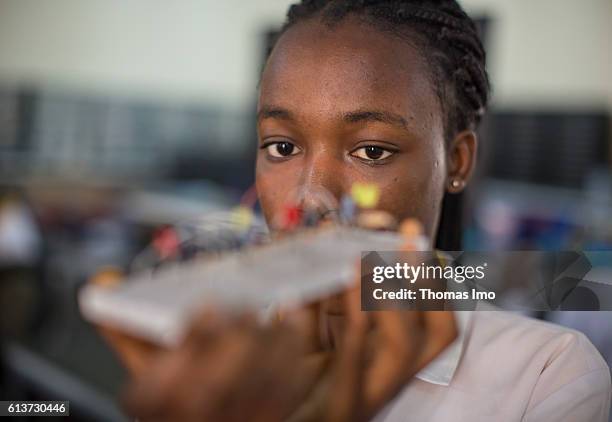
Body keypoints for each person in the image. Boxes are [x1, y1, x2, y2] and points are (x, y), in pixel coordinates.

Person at [100, 1, 612, 421]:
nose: (312, 198)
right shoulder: (211, 354)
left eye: (371, 151)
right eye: (281, 147)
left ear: (457, 160)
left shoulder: (545, 375)